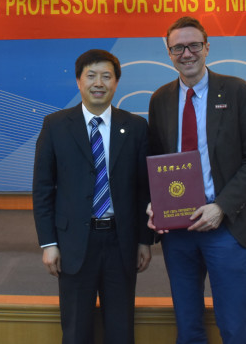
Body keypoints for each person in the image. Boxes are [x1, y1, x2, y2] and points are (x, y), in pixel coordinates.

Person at [146, 16, 246, 344]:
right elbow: (156, 161)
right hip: (178, 230)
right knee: (188, 327)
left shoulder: (237, 91)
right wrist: (154, 203)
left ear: (207, 48)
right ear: (169, 53)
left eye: (194, 45)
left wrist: (221, 207)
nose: (186, 53)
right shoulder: (160, 99)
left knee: (234, 327)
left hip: (226, 226)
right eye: (178, 48)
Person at [33, 49, 154, 344]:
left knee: (121, 329)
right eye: (91, 76)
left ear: (116, 83)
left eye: (106, 76)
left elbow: (144, 188)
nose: (98, 83)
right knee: (75, 330)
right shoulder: (55, 125)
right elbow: (43, 188)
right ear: (79, 81)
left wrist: (144, 240)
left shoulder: (136, 127)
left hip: (121, 242)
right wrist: (49, 243)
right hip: (73, 243)